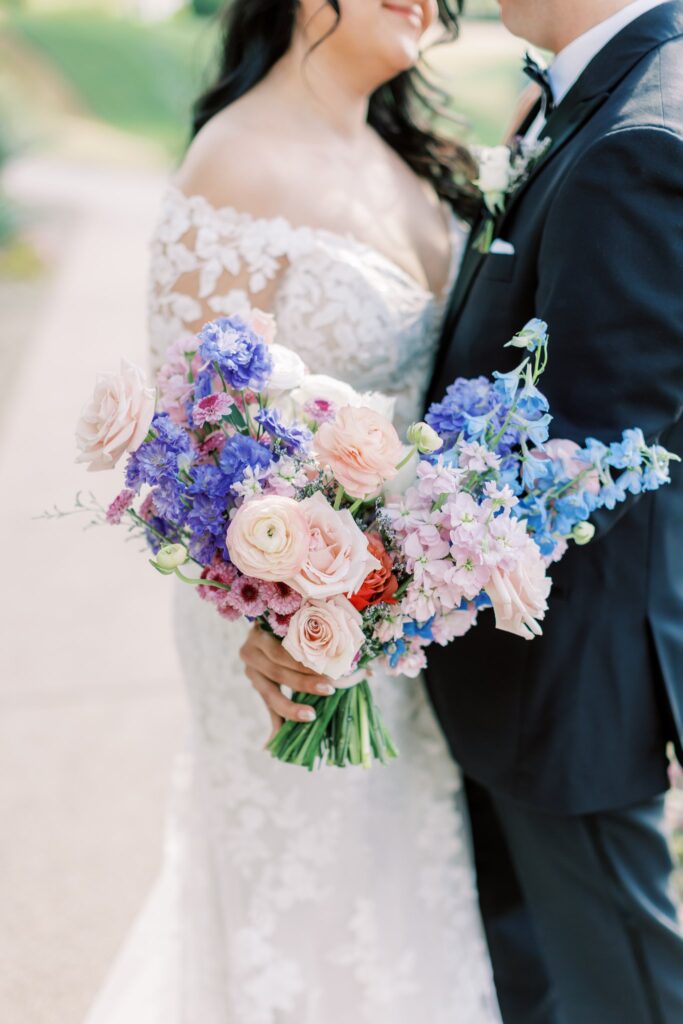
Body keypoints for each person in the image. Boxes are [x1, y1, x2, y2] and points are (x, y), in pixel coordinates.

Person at [85, 2, 502, 1022]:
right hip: (282, 638)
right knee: (312, 924)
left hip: (399, 626)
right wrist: (279, 612)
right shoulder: (234, 166)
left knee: (407, 900)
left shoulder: (408, 154)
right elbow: (197, 447)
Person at [424, 1, 683, 1022]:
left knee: (621, 988)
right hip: (519, 673)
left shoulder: (637, 138)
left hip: (565, 678)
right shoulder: (579, 92)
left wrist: (377, 575)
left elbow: (579, 453)